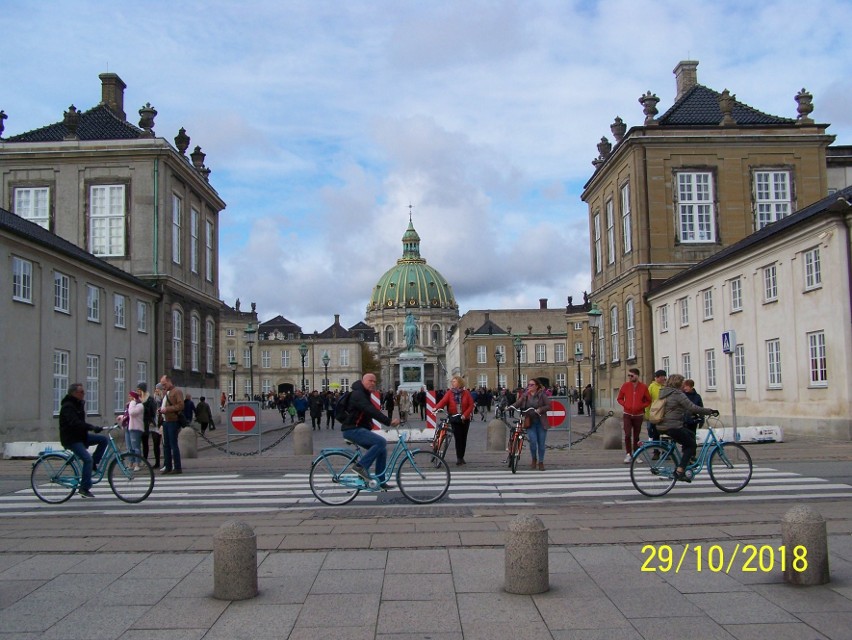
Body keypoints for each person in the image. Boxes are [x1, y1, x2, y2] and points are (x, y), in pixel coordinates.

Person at [342, 373, 399, 488]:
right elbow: (371, 410)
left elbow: (369, 412)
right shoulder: (358, 394)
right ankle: (360, 466)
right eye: (370, 381)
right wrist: (389, 422)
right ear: (363, 381)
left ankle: (380, 481)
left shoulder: (364, 393)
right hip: (352, 430)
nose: (373, 383)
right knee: (381, 442)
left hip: (357, 428)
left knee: (382, 450)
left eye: (374, 381)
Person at [656, 374, 718, 480]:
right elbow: (692, 407)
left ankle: (687, 460)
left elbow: (677, 408)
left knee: (690, 434)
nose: (683, 386)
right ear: (678, 383)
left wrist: (691, 415)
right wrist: (709, 411)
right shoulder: (678, 394)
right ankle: (680, 471)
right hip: (673, 426)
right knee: (691, 445)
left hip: (663, 425)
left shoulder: (664, 392)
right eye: (682, 383)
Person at [58, 383, 108, 498]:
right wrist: (91, 427)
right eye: (82, 392)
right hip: (71, 439)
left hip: (80, 436)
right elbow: (75, 423)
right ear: (75, 393)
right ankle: (84, 488)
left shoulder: (78, 404)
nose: (84, 394)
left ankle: (94, 463)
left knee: (103, 440)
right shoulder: (68, 406)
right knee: (87, 460)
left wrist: (93, 428)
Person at [511, 377, 552, 471]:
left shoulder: (542, 395)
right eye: (528, 385)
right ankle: (534, 458)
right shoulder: (525, 395)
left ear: (537, 386)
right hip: (530, 422)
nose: (529, 386)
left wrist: (540, 409)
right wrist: (509, 407)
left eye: (531, 385)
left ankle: (541, 462)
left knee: (541, 444)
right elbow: (518, 403)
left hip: (541, 422)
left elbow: (549, 406)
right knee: (533, 442)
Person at [434, 375, 475, 465]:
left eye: (454, 381)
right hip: (454, 417)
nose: (452, 383)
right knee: (458, 437)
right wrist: (436, 408)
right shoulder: (449, 393)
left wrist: (465, 415)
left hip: (464, 419)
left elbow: (471, 405)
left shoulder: (466, 393)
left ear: (459, 382)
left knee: (463, 438)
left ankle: (461, 456)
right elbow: (443, 401)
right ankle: (459, 458)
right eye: (452, 381)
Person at [617, 368, 652, 464]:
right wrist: (625, 404)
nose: (629, 377)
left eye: (631, 375)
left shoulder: (643, 387)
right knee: (627, 434)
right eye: (628, 375)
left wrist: (641, 406)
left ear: (637, 376)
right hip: (627, 414)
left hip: (638, 415)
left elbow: (648, 400)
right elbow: (619, 398)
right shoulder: (625, 386)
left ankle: (636, 454)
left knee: (636, 436)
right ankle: (628, 454)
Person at [157, 375, 184, 475]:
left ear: (169, 382)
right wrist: (161, 410)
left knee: (173, 444)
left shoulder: (177, 391)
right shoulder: (166, 392)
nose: (163, 386)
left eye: (164, 384)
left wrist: (167, 409)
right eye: (162, 384)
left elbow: (181, 405)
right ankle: (168, 466)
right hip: (165, 421)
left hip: (173, 420)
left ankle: (177, 467)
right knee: (166, 445)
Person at [118, 390, 145, 468]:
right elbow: (127, 416)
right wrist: (121, 417)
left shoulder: (139, 406)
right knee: (129, 447)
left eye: (130, 396)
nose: (129, 397)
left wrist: (132, 403)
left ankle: (137, 463)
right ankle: (131, 462)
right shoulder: (129, 406)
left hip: (135, 428)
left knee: (135, 447)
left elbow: (132, 413)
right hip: (128, 427)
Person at [138, 383, 161, 468]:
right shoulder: (138, 399)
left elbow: (152, 411)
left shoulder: (150, 399)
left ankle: (157, 462)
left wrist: (143, 405)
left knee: (156, 443)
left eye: (139, 390)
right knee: (144, 443)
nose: (138, 392)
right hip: (142, 423)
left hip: (151, 423)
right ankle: (145, 460)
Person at [644, 369, 667, 445]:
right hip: (655, 413)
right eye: (662, 377)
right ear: (658, 378)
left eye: (664, 377)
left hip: (665, 413)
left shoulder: (666, 386)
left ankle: (665, 451)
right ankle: (656, 451)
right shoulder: (652, 387)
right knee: (655, 432)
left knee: (665, 434)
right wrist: (647, 414)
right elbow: (647, 401)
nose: (664, 378)